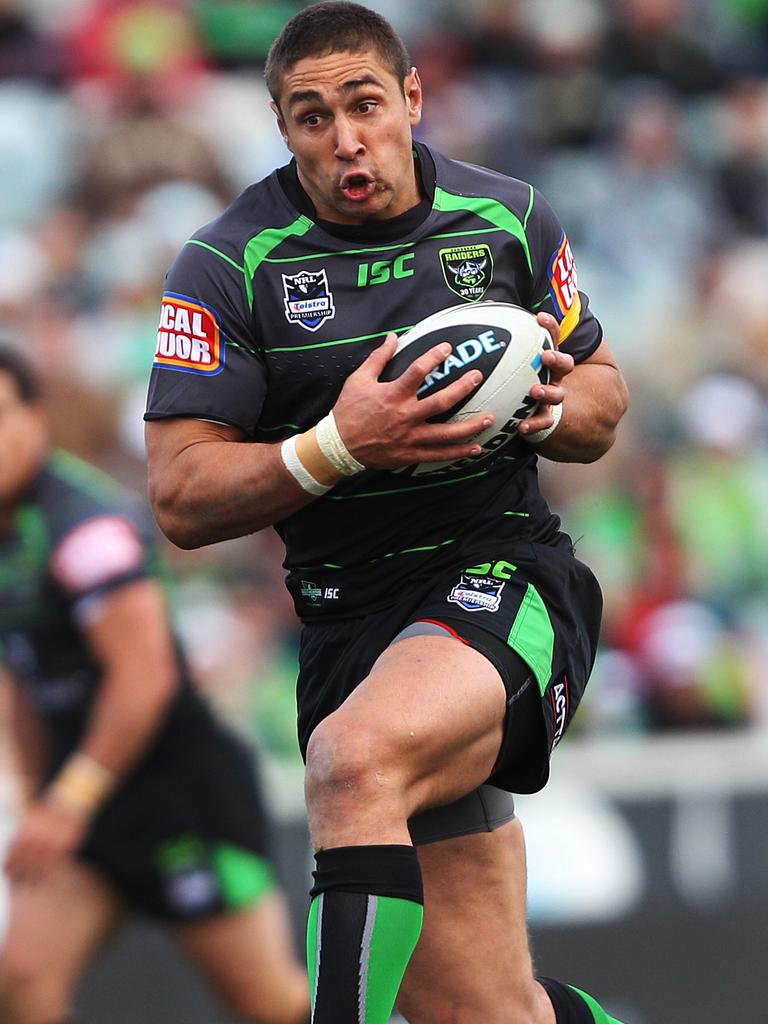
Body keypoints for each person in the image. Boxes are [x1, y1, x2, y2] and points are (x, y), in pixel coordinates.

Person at [144, 4, 630, 1022]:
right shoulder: (229, 264)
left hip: (505, 578)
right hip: (346, 623)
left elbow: (601, 400)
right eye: (311, 116)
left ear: (411, 98)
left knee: (352, 761)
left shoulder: (508, 217)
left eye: (364, 104)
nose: (345, 138)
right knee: (492, 1013)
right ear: (282, 126)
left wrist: (546, 401)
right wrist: (340, 444)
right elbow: (182, 495)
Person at [0, 345, 310, 1024]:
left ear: (34, 417)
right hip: (83, 802)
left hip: (179, 797)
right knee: (21, 981)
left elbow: (144, 678)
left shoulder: (85, 527)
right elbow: (18, 674)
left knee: (271, 1005)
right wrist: (34, 794)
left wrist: (69, 801)